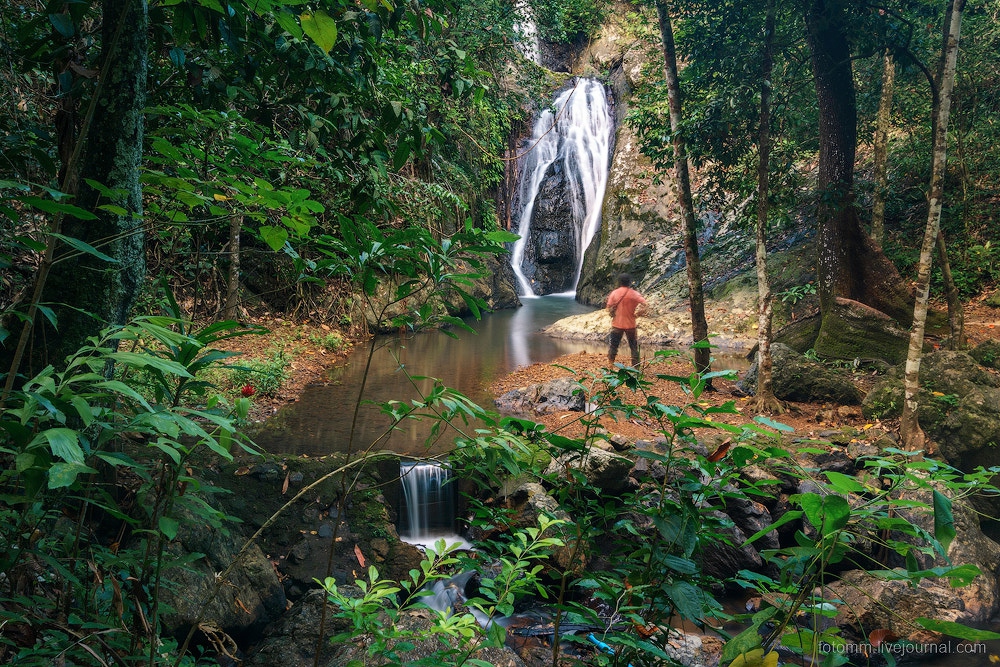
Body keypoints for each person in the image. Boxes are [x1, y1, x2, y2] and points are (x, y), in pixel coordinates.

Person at [606, 273, 647, 366]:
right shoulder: (634, 294)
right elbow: (646, 304)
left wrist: (613, 312)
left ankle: (610, 365)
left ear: (620, 282)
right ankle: (636, 367)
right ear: (629, 282)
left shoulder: (614, 293)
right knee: (633, 347)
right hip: (631, 324)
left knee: (613, 346)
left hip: (617, 324)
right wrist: (638, 314)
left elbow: (608, 307)